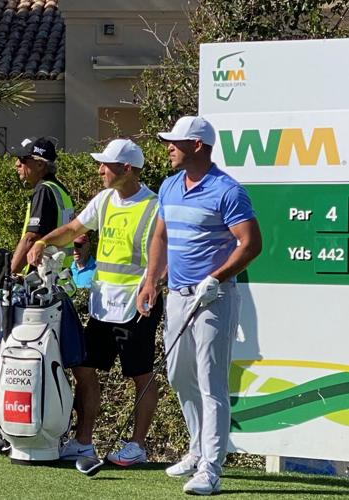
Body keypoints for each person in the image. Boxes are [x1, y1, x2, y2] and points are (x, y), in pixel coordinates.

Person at [137, 116, 261, 495]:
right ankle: (196, 449)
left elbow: (251, 244)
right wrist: (151, 279)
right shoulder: (170, 186)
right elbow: (160, 236)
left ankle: (211, 468)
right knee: (178, 375)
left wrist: (216, 278)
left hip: (214, 298)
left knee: (211, 382)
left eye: (175, 142)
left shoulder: (228, 191)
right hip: (177, 295)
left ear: (197, 145)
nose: (168, 148)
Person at [28, 138, 164, 467]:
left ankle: (137, 446)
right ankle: (83, 442)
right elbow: (73, 228)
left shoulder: (155, 206)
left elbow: (165, 254)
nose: (100, 170)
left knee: (141, 376)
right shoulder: (104, 200)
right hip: (103, 305)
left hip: (137, 306)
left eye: (106, 165)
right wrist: (43, 242)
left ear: (127, 168)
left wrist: (152, 284)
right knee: (83, 368)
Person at [9, 136, 74, 274]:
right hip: (60, 274)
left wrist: (11, 272)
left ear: (40, 164)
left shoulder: (44, 190)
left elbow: (32, 237)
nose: (17, 164)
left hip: (44, 275)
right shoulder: (59, 189)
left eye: (23, 159)